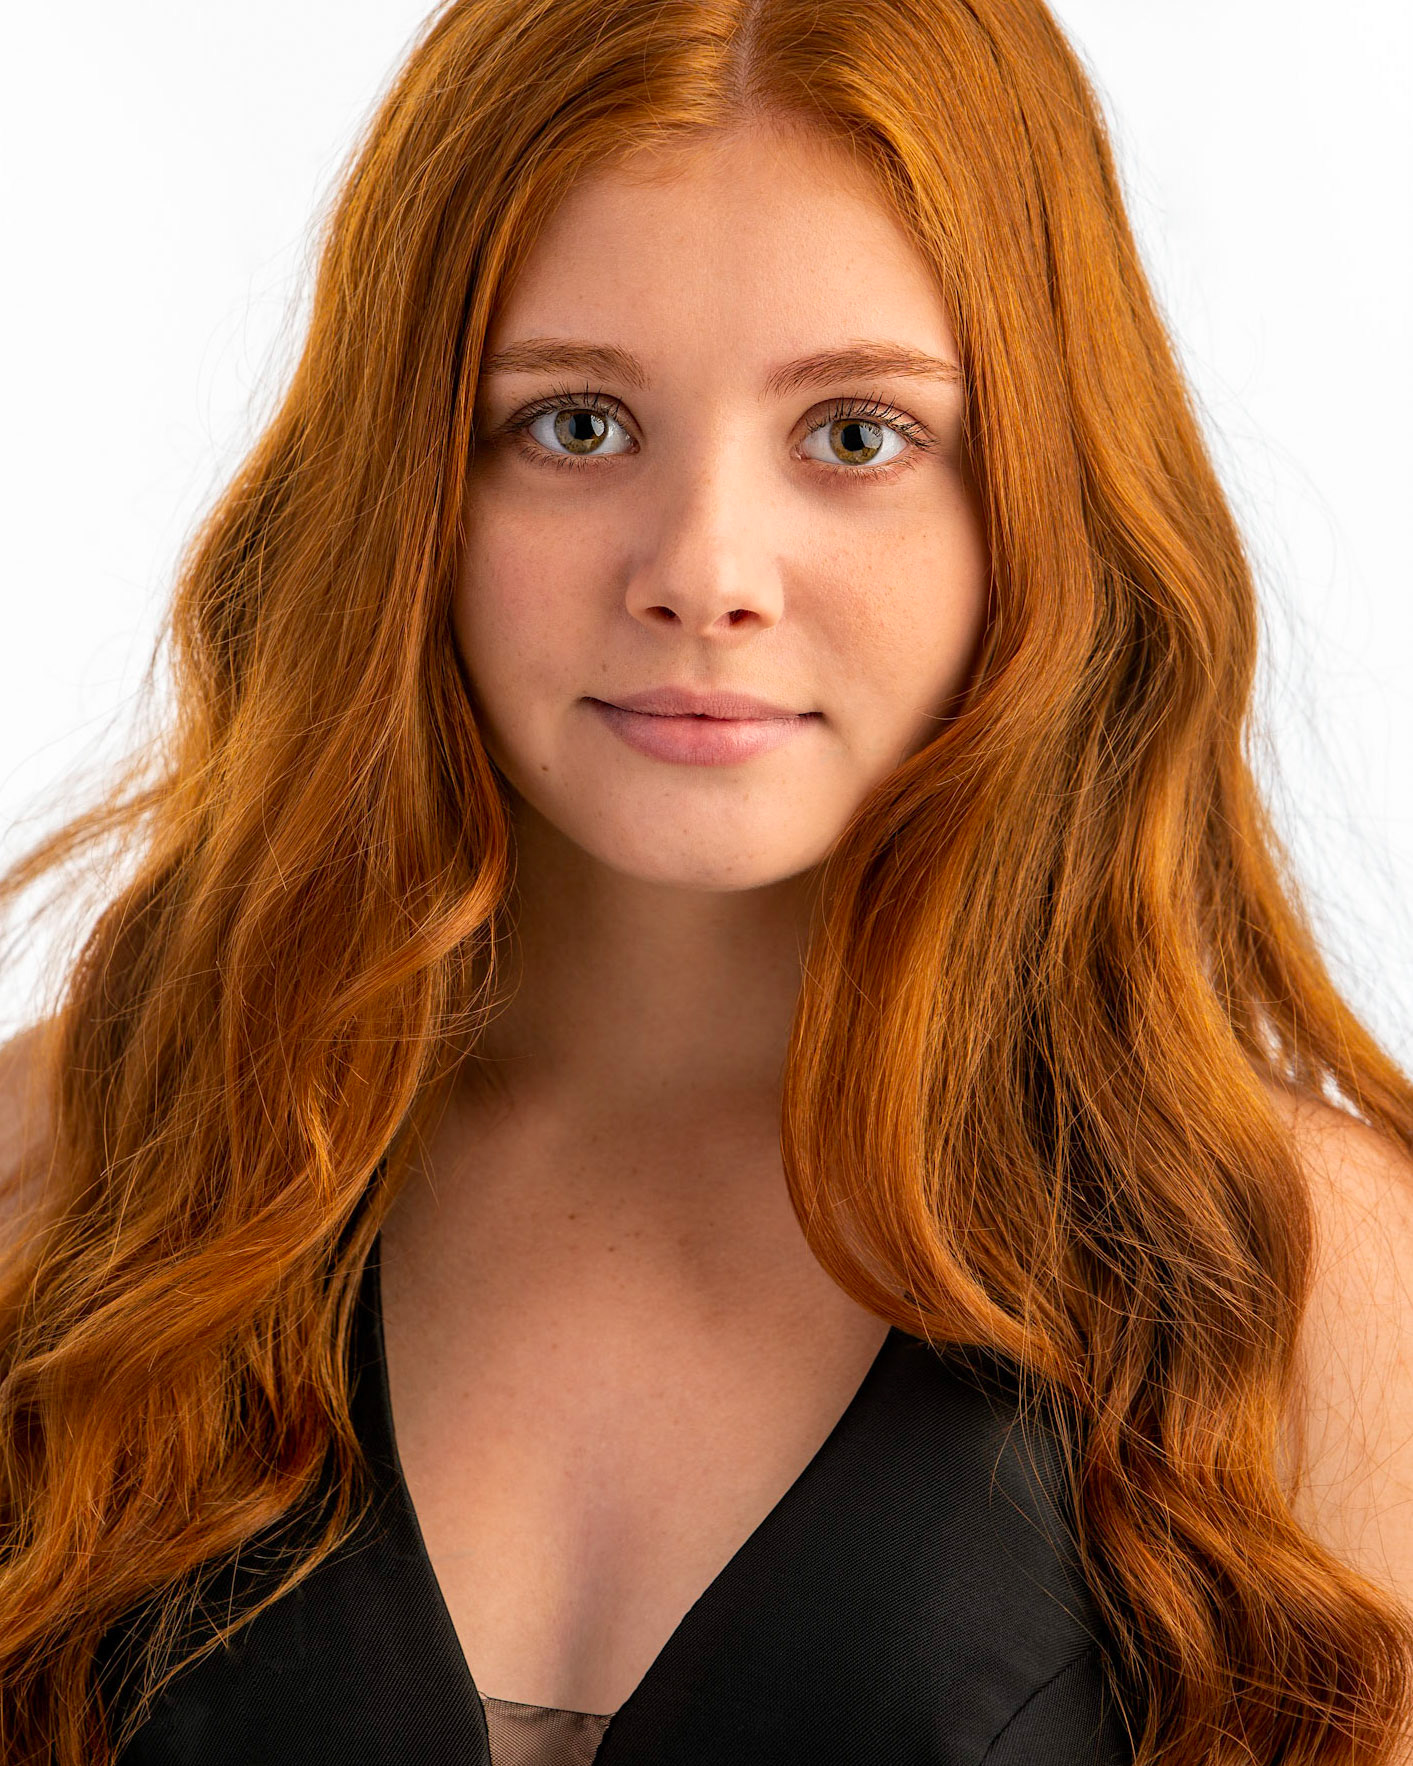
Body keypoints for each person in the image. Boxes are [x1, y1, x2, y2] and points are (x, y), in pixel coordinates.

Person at [2, 0, 1412, 1761]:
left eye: (855, 435)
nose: (703, 569)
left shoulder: (1304, 1282)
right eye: (576, 424)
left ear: (1041, 502)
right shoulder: (65, 1178)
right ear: (406, 483)